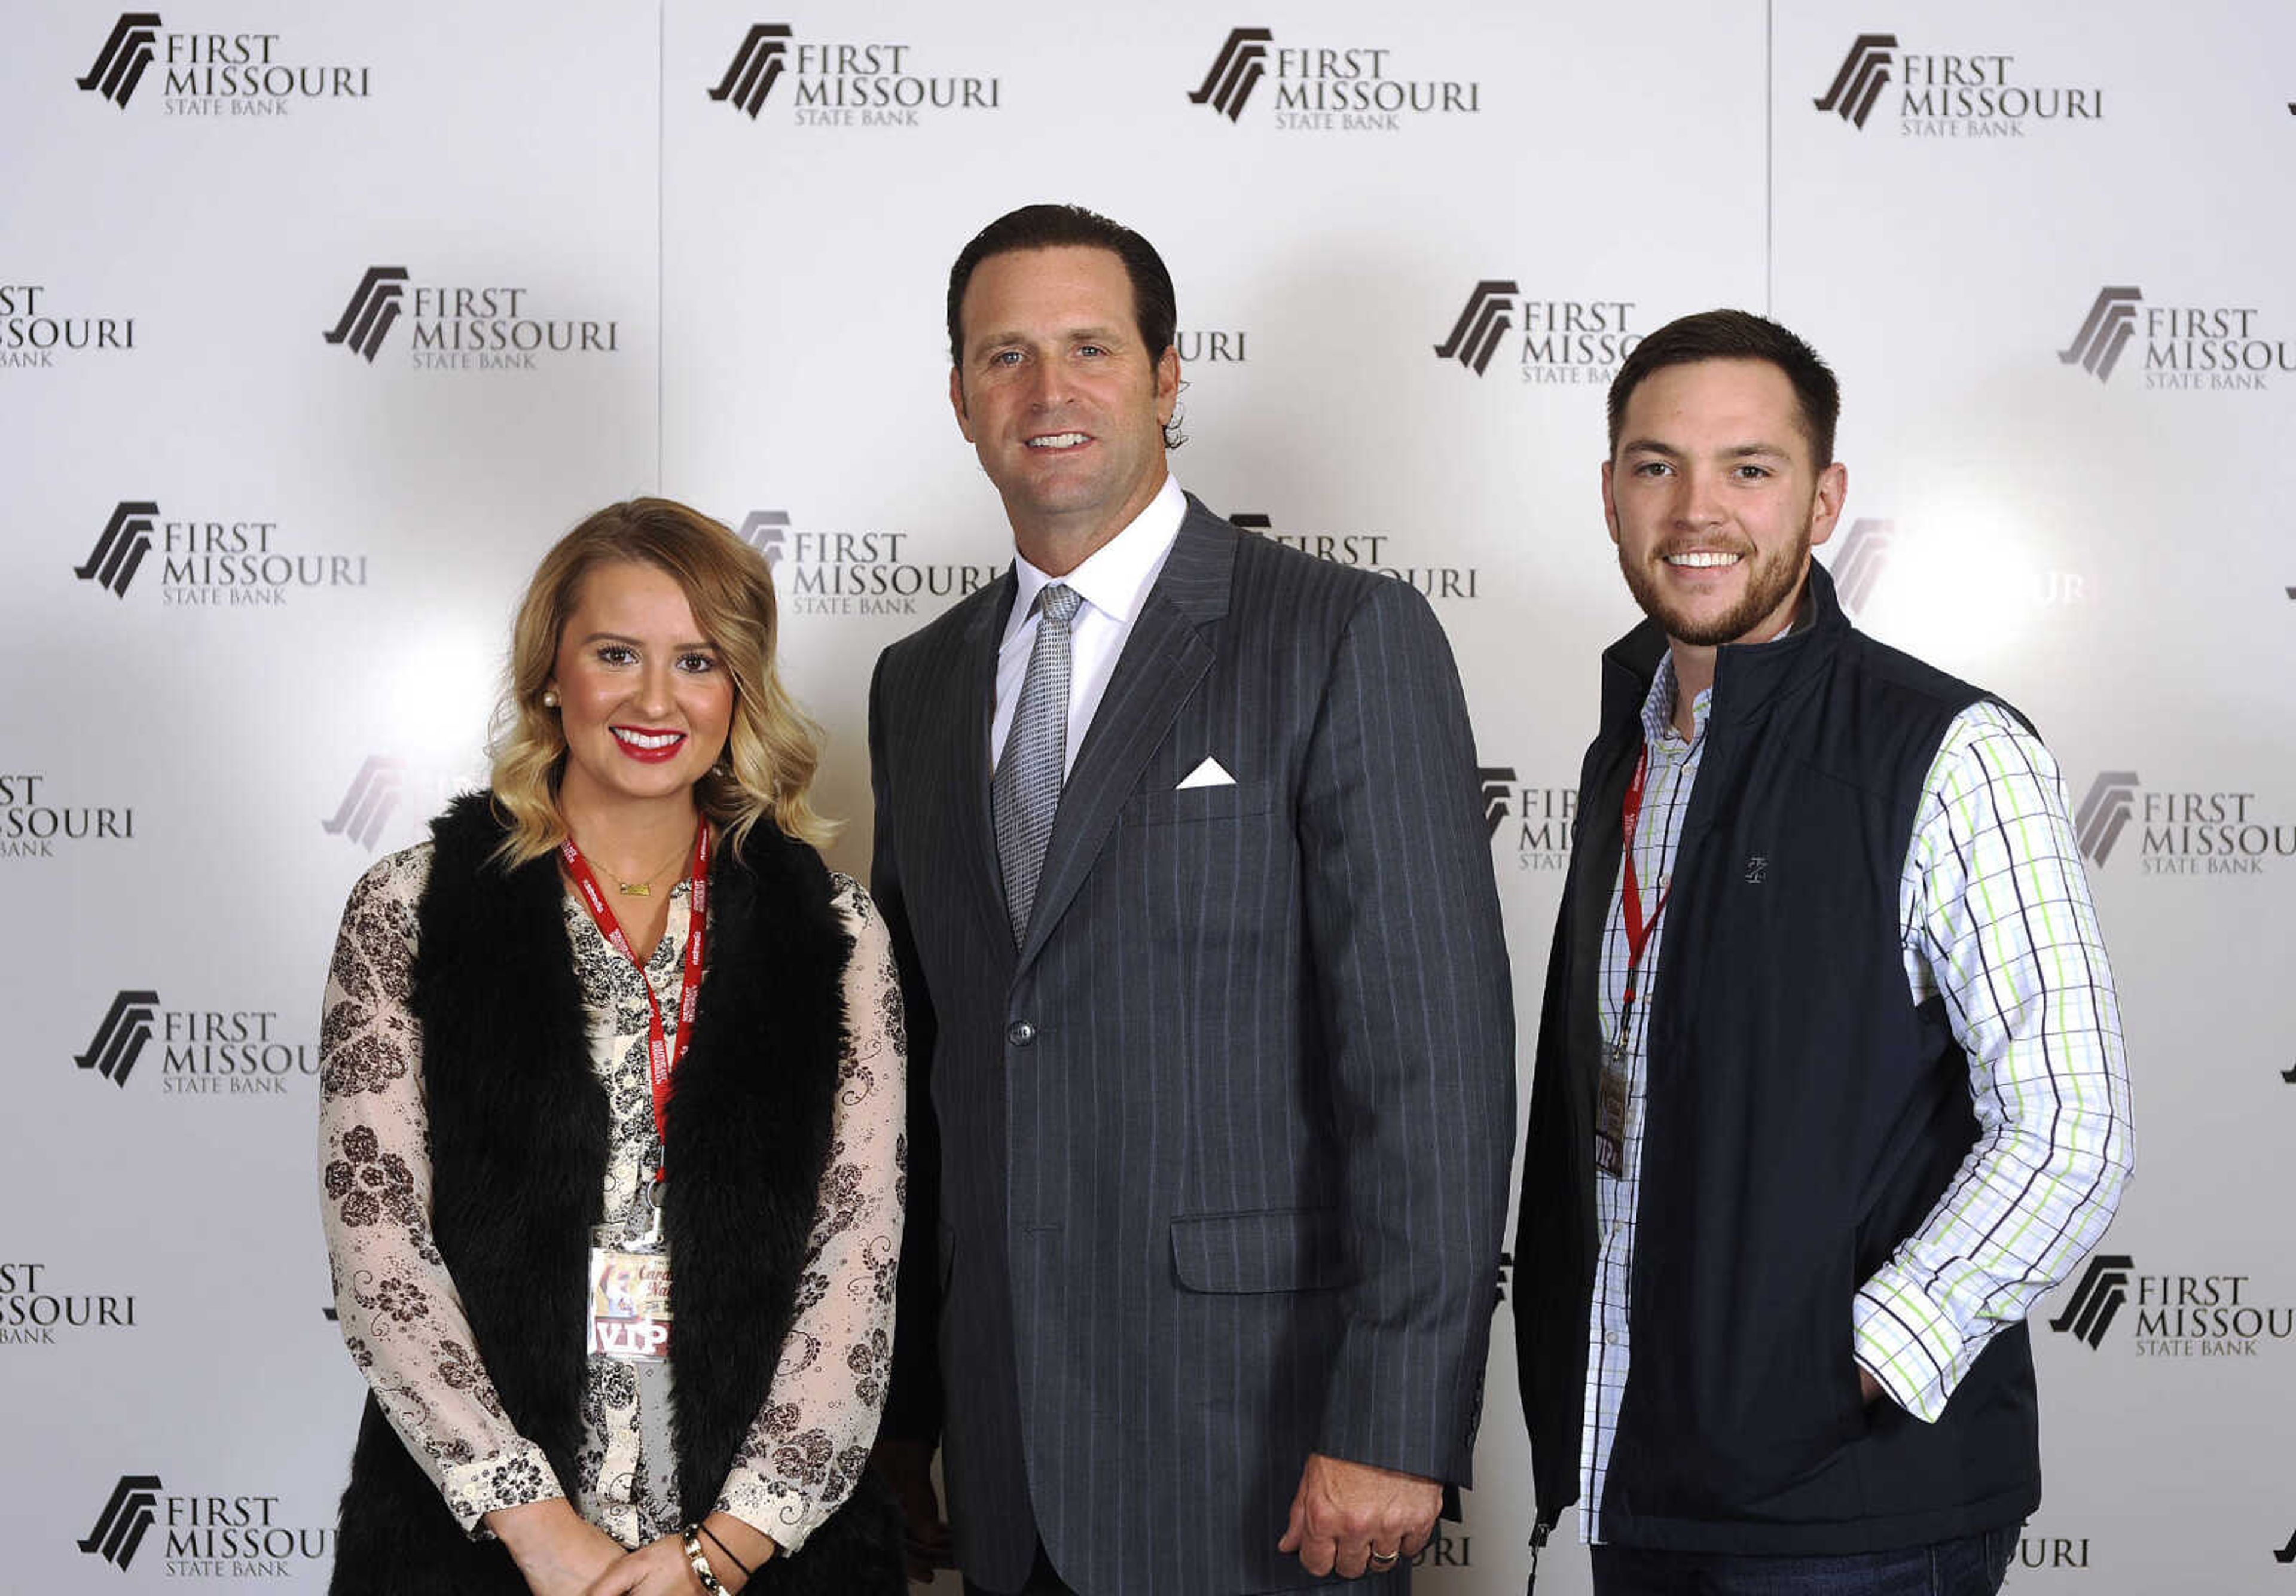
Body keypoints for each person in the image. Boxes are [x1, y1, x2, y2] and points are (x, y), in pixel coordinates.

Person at [865, 203, 1516, 1596]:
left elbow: (1432, 1073)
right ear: (963, 398)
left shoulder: (1343, 637)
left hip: (1266, 1460)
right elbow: (923, 1073)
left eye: (1091, 348)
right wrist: (905, 1412)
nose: (1049, 394)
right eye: (1005, 358)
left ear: (1168, 376)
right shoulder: (914, 684)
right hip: (1005, 1464)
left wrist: (1397, 1423)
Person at [1509, 310, 2133, 1594]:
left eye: (1750, 468)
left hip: (1855, 1510)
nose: (1698, 511)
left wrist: (1857, 1357)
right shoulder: (1626, 748)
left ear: (1825, 497)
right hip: (1650, 1479)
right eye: (1655, 465)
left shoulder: (1948, 751)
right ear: (1611, 494)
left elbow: (2072, 1124)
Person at [318, 499, 907, 1596]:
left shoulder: (835, 931)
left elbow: (856, 1266)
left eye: (696, 659)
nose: (654, 699)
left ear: (739, 686)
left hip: (763, 1555)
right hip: (477, 1549)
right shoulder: (409, 908)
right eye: (615, 653)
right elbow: (379, 1249)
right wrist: (542, 1530)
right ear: (552, 670)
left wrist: (722, 1550)